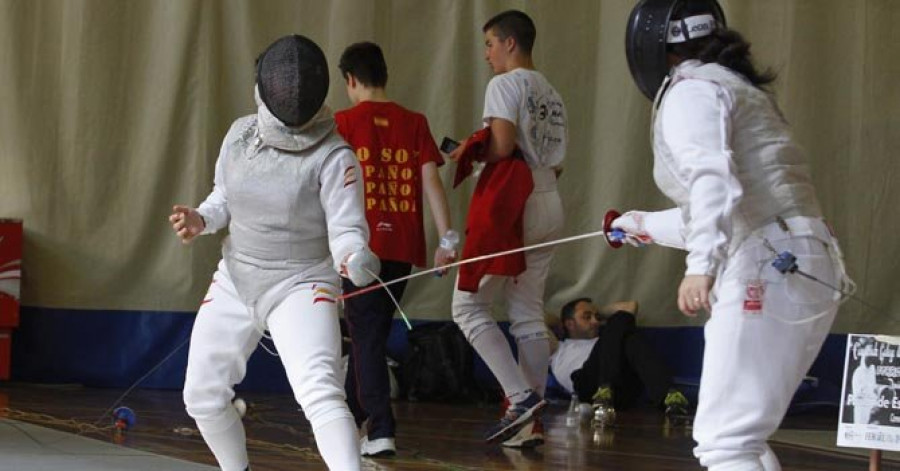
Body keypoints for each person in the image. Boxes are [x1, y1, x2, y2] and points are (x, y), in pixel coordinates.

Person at [618, 1, 852, 469]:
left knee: (725, 440)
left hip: (768, 267)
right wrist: (641, 224)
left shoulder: (689, 91)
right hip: (804, 259)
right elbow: (728, 206)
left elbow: (713, 181)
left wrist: (699, 267)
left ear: (654, 48)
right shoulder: (736, 88)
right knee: (744, 437)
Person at [169, 34, 380, 471]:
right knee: (201, 396)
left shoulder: (335, 156)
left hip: (301, 283)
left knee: (321, 394)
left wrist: (355, 256)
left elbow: (345, 230)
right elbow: (223, 197)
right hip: (236, 278)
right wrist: (201, 219)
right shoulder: (240, 134)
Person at [448, 9, 567, 447]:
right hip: (550, 198)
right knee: (527, 309)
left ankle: (519, 398)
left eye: (490, 44)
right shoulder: (552, 91)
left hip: (515, 204)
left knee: (468, 307)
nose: (486, 55)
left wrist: (470, 150)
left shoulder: (504, 84)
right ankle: (529, 424)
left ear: (510, 43)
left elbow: (499, 146)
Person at [334, 41, 456, 458]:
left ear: (351, 80)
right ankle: (350, 415)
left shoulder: (344, 122)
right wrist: (447, 238)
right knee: (370, 332)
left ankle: (381, 427)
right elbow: (431, 182)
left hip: (360, 248)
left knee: (365, 335)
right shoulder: (414, 122)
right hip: (402, 247)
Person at [550, 298, 688, 419]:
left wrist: (597, 311)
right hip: (586, 387)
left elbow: (630, 306)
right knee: (623, 327)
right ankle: (667, 393)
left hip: (617, 391)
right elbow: (536, 317)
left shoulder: (609, 339)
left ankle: (670, 399)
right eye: (587, 317)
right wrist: (558, 323)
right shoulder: (557, 346)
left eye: (597, 317)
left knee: (629, 339)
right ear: (569, 324)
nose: (595, 322)